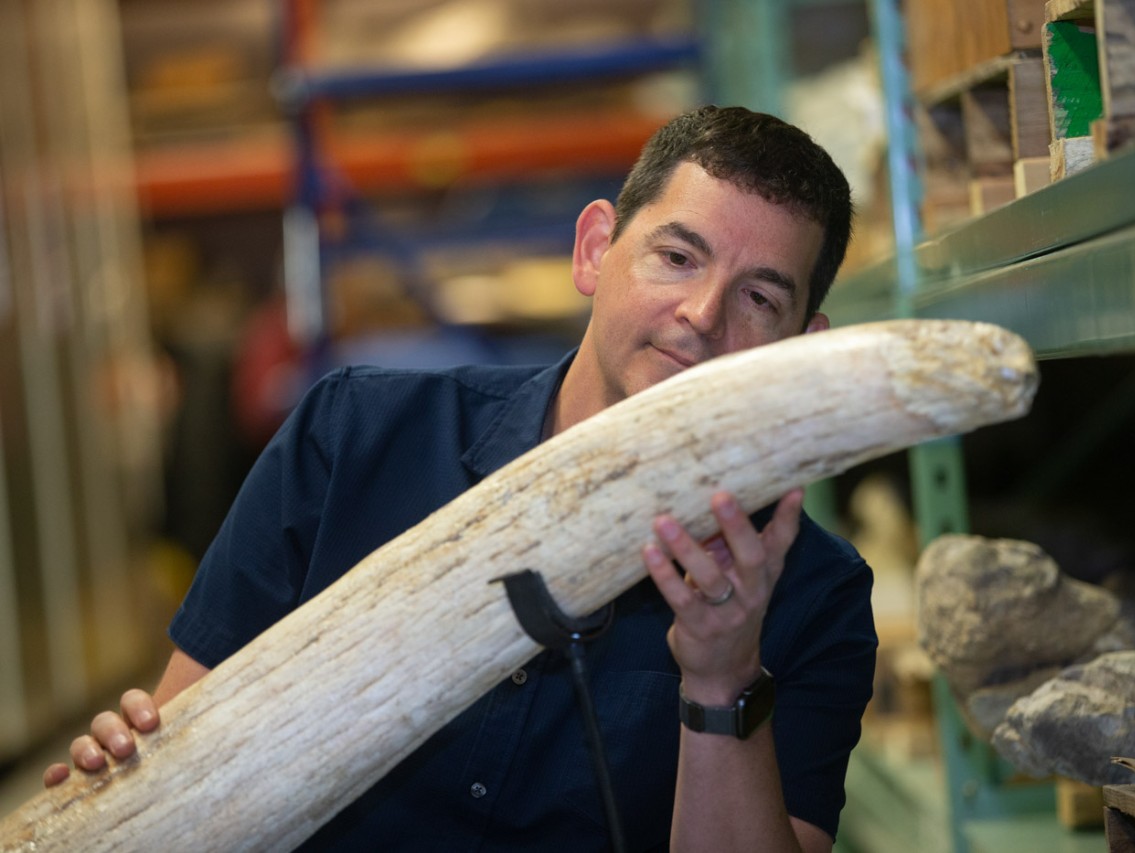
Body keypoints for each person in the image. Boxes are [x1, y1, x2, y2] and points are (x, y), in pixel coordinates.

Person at [45, 105, 878, 852]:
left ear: (800, 340)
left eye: (759, 298)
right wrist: (133, 775)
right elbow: (187, 737)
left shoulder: (813, 593)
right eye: (676, 256)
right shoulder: (353, 441)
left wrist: (722, 678)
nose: (702, 314)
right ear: (595, 250)